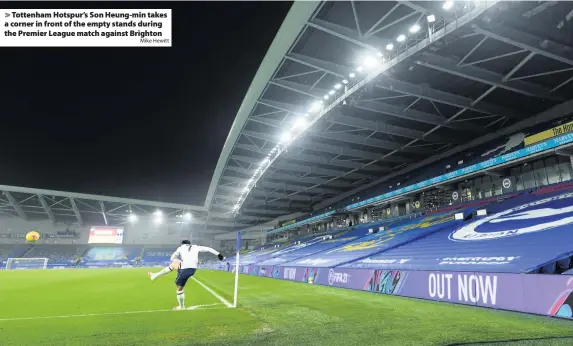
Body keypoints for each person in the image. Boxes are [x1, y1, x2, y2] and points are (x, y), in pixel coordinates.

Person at [148, 240, 225, 310]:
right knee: (174, 265)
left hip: (185, 270)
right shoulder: (196, 247)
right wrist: (219, 254)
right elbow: (209, 249)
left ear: (182, 244)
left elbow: (172, 258)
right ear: (189, 244)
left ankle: (181, 307)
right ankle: (155, 275)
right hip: (192, 269)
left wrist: (179, 260)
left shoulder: (180, 248)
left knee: (179, 289)